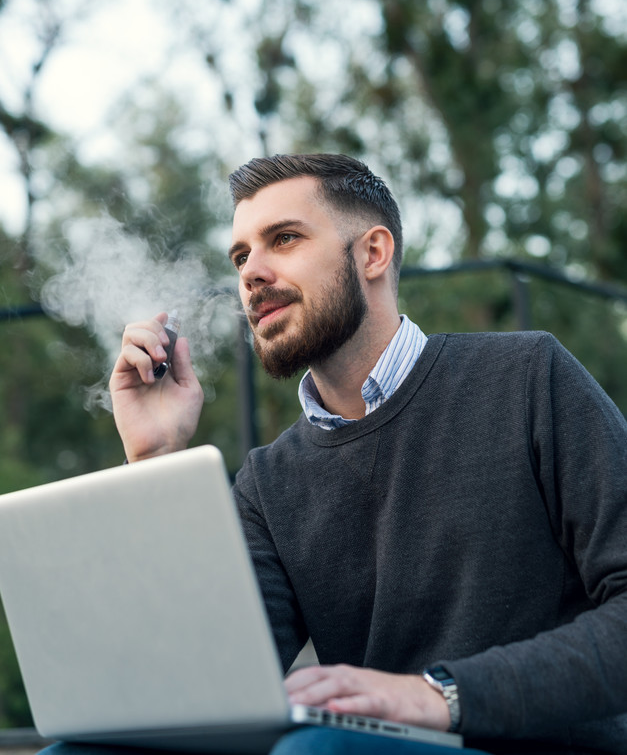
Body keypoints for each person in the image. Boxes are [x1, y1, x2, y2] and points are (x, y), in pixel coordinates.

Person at [110, 153, 627, 755]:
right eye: (241, 255)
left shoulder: (527, 378)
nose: (252, 272)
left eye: (284, 238)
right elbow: (202, 685)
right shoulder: (269, 483)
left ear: (373, 254)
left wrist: (438, 697)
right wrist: (154, 462)